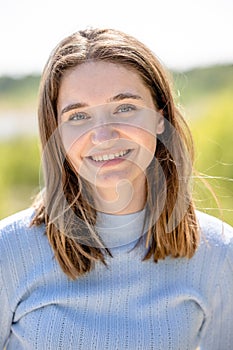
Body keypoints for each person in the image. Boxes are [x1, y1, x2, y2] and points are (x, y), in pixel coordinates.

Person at [0, 28, 232, 350]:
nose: (103, 135)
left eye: (124, 107)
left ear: (160, 117)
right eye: (78, 115)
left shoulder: (219, 255)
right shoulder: (7, 252)